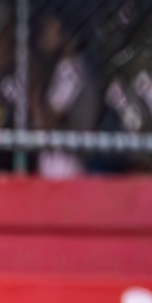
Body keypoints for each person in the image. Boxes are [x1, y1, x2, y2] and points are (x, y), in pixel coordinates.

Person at [31, 11, 101, 178]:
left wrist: (32, 92)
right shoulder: (63, 67)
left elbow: (48, 121)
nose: (44, 36)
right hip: (59, 158)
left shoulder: (70, 69)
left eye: (51, 31)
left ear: (67, 35)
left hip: (64, 163)